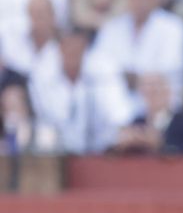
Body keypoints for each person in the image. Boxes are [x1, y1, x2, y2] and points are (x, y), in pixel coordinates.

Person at [27, 22, 128, 152]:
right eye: (68, 46)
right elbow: (42, 118)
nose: (72, 52)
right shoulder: (43, 74)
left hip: (100, 152)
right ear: (60, 48)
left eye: (77, 47)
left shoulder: (105, 72)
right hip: (56, 154)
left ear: (85, 48)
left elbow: (119, 115)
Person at [89, 0, 183, 108]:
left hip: (156, 106)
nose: (138, 3)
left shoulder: (174, 27)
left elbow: (167, 70)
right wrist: (131, 78)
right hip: (117, 103)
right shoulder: (112, 27)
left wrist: (125, 77)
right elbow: (97, 65)